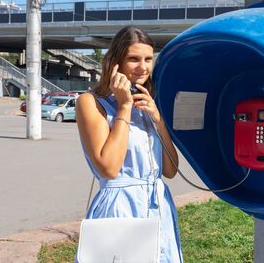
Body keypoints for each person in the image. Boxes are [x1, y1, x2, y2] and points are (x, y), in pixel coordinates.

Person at [75, 26, 183, 262]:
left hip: (158, 206)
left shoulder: (148, 104)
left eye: (148, 59)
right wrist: (124, 107)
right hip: (120, 207)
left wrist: (158, 120)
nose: (143, 67)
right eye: (133, 59)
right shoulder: (92, 103)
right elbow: (109, 168)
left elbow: (171, 170)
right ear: (115, 63)